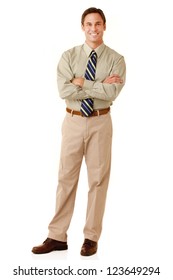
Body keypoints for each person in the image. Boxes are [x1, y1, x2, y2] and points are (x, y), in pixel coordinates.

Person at [32, 7, 126, 256]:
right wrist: (98, 86)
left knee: (97, 180)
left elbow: (112, 92)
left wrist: (82, 82)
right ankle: (57, 236)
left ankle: (91, 238)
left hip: (100, 121)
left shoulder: (116, 59)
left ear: (104, 26)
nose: (93, 28)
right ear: (82, 27)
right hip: (72, 120)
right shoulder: (69, 56)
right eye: (88, 24)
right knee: (66, 178)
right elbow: (65, 91)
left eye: (98, 24)